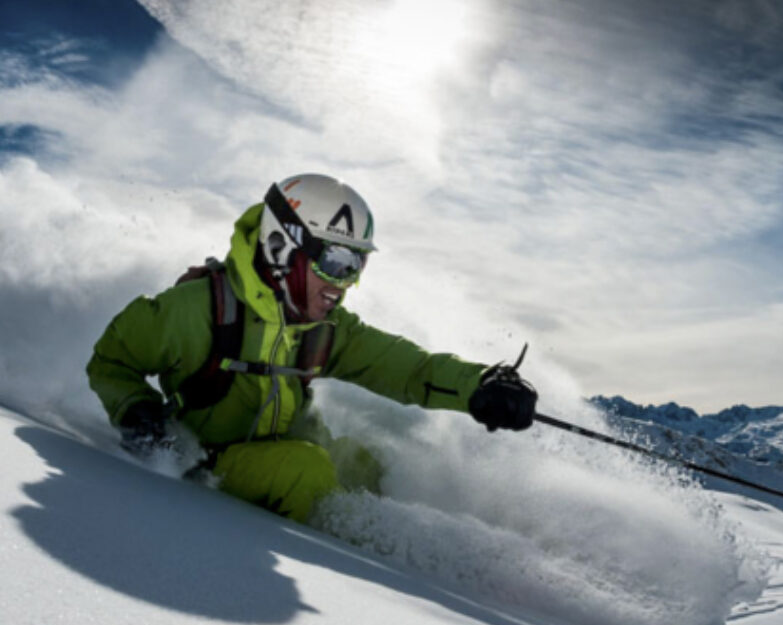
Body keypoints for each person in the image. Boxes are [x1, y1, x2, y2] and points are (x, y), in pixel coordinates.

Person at [86, 173, 537, 522]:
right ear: (282, 247)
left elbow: (405, 368)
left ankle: (409, 569)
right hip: (207, 462)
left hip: (287, 447)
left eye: (356, 264)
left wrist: (478, 385)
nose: (346, 284)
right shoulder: (198, 309)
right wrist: (135, 411)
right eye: (337, 262)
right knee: (307, 472)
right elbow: (111, 360)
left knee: (367, 467)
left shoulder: (322, 328)